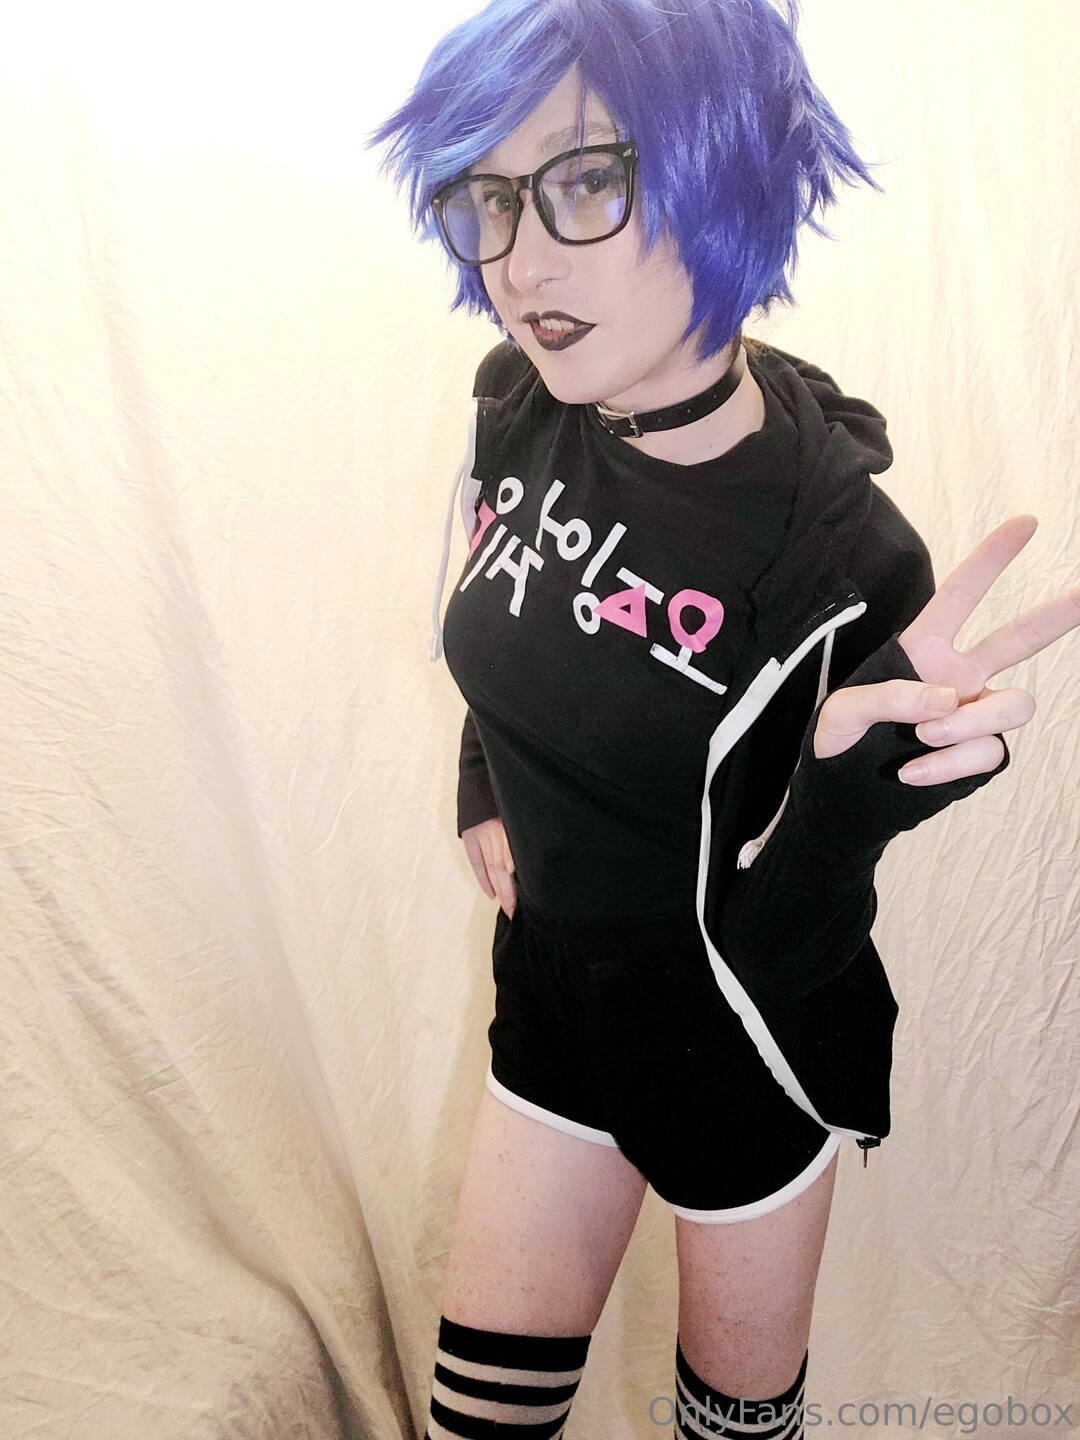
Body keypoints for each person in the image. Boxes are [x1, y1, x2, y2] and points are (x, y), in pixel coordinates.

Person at [372, 2, 1080, 1436]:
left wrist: (847, 813)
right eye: (487, 198)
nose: (519, 263)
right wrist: (482, 782)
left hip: (739, 1044)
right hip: (553, 1009)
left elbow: (776, 936)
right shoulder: (518, 405)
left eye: (584, 180)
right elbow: (502, 626)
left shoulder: (843, 558)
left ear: (725, 177)